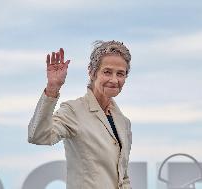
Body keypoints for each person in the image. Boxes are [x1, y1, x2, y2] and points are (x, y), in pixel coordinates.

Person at [28, 40, 132, 189]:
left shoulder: (123, 122)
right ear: (92, 72)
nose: (114, 80)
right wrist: (52, 88)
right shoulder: (73, 111)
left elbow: (123, 177)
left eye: (120, 74)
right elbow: (38, 136)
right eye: (107, 72)